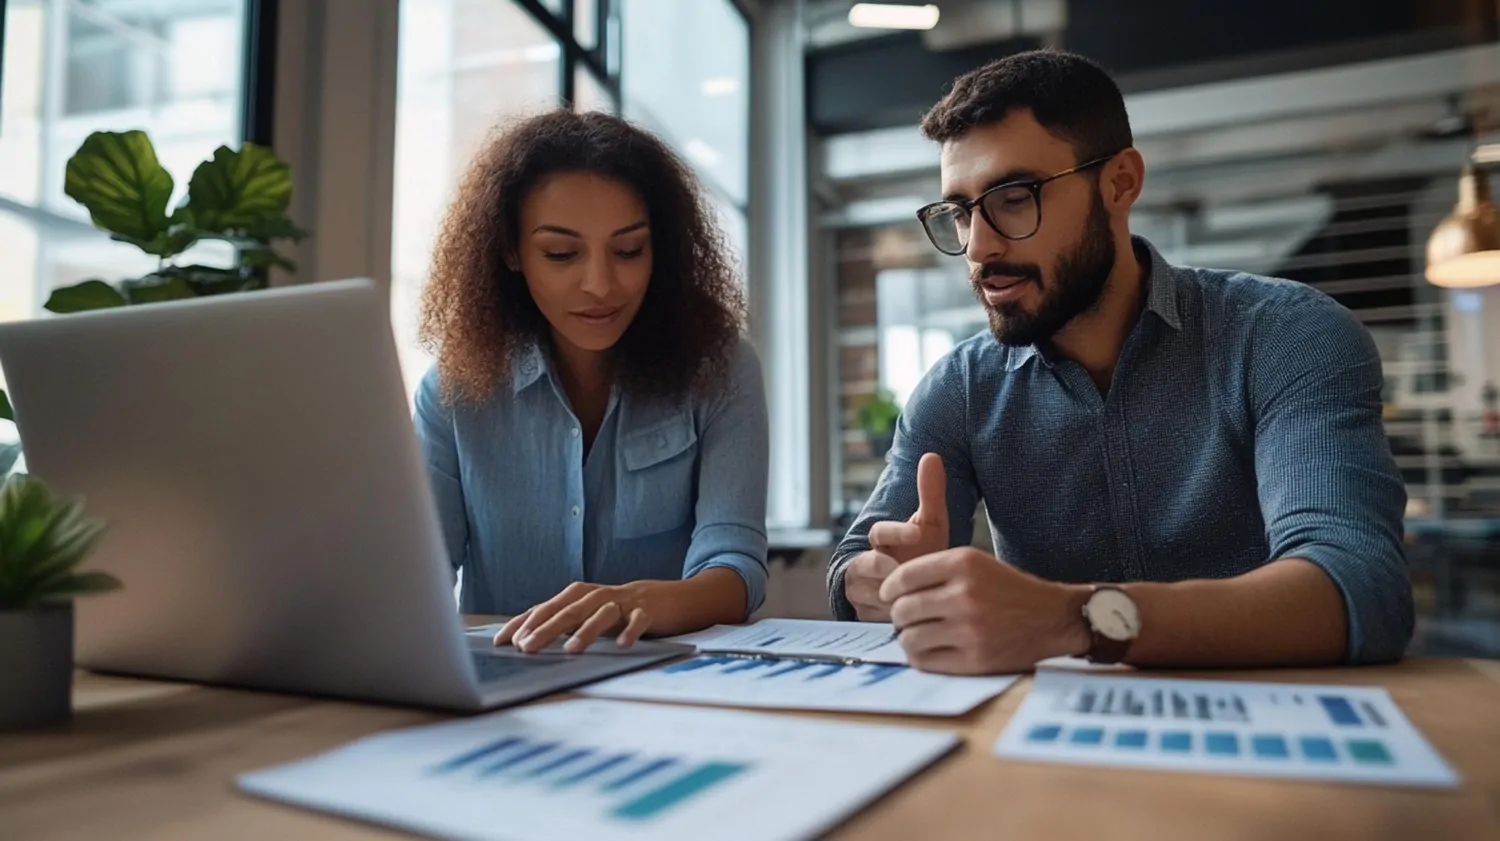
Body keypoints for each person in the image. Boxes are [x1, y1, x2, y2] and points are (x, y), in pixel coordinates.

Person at [826, 49, 1413, 674]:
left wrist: (1071, 620)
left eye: (1014, 198)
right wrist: (877, 580)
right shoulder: (959, 388)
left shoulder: (1285, 336)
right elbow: (855, 564)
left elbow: (1360, 590)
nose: (979, 246)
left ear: (1120, 184)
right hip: (1047, 746)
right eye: (960, 212)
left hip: (1270, 737)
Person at [416, 109, 768, 656]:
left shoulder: (719, 369)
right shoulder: (454, 391)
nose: (601, 284)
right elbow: (417, 580)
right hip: (504, 684)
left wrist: (635, 604)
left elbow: (737, 568)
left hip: (667, 684)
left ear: (661, 250)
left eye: (629, 251)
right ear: (511, 251)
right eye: (561, 254)